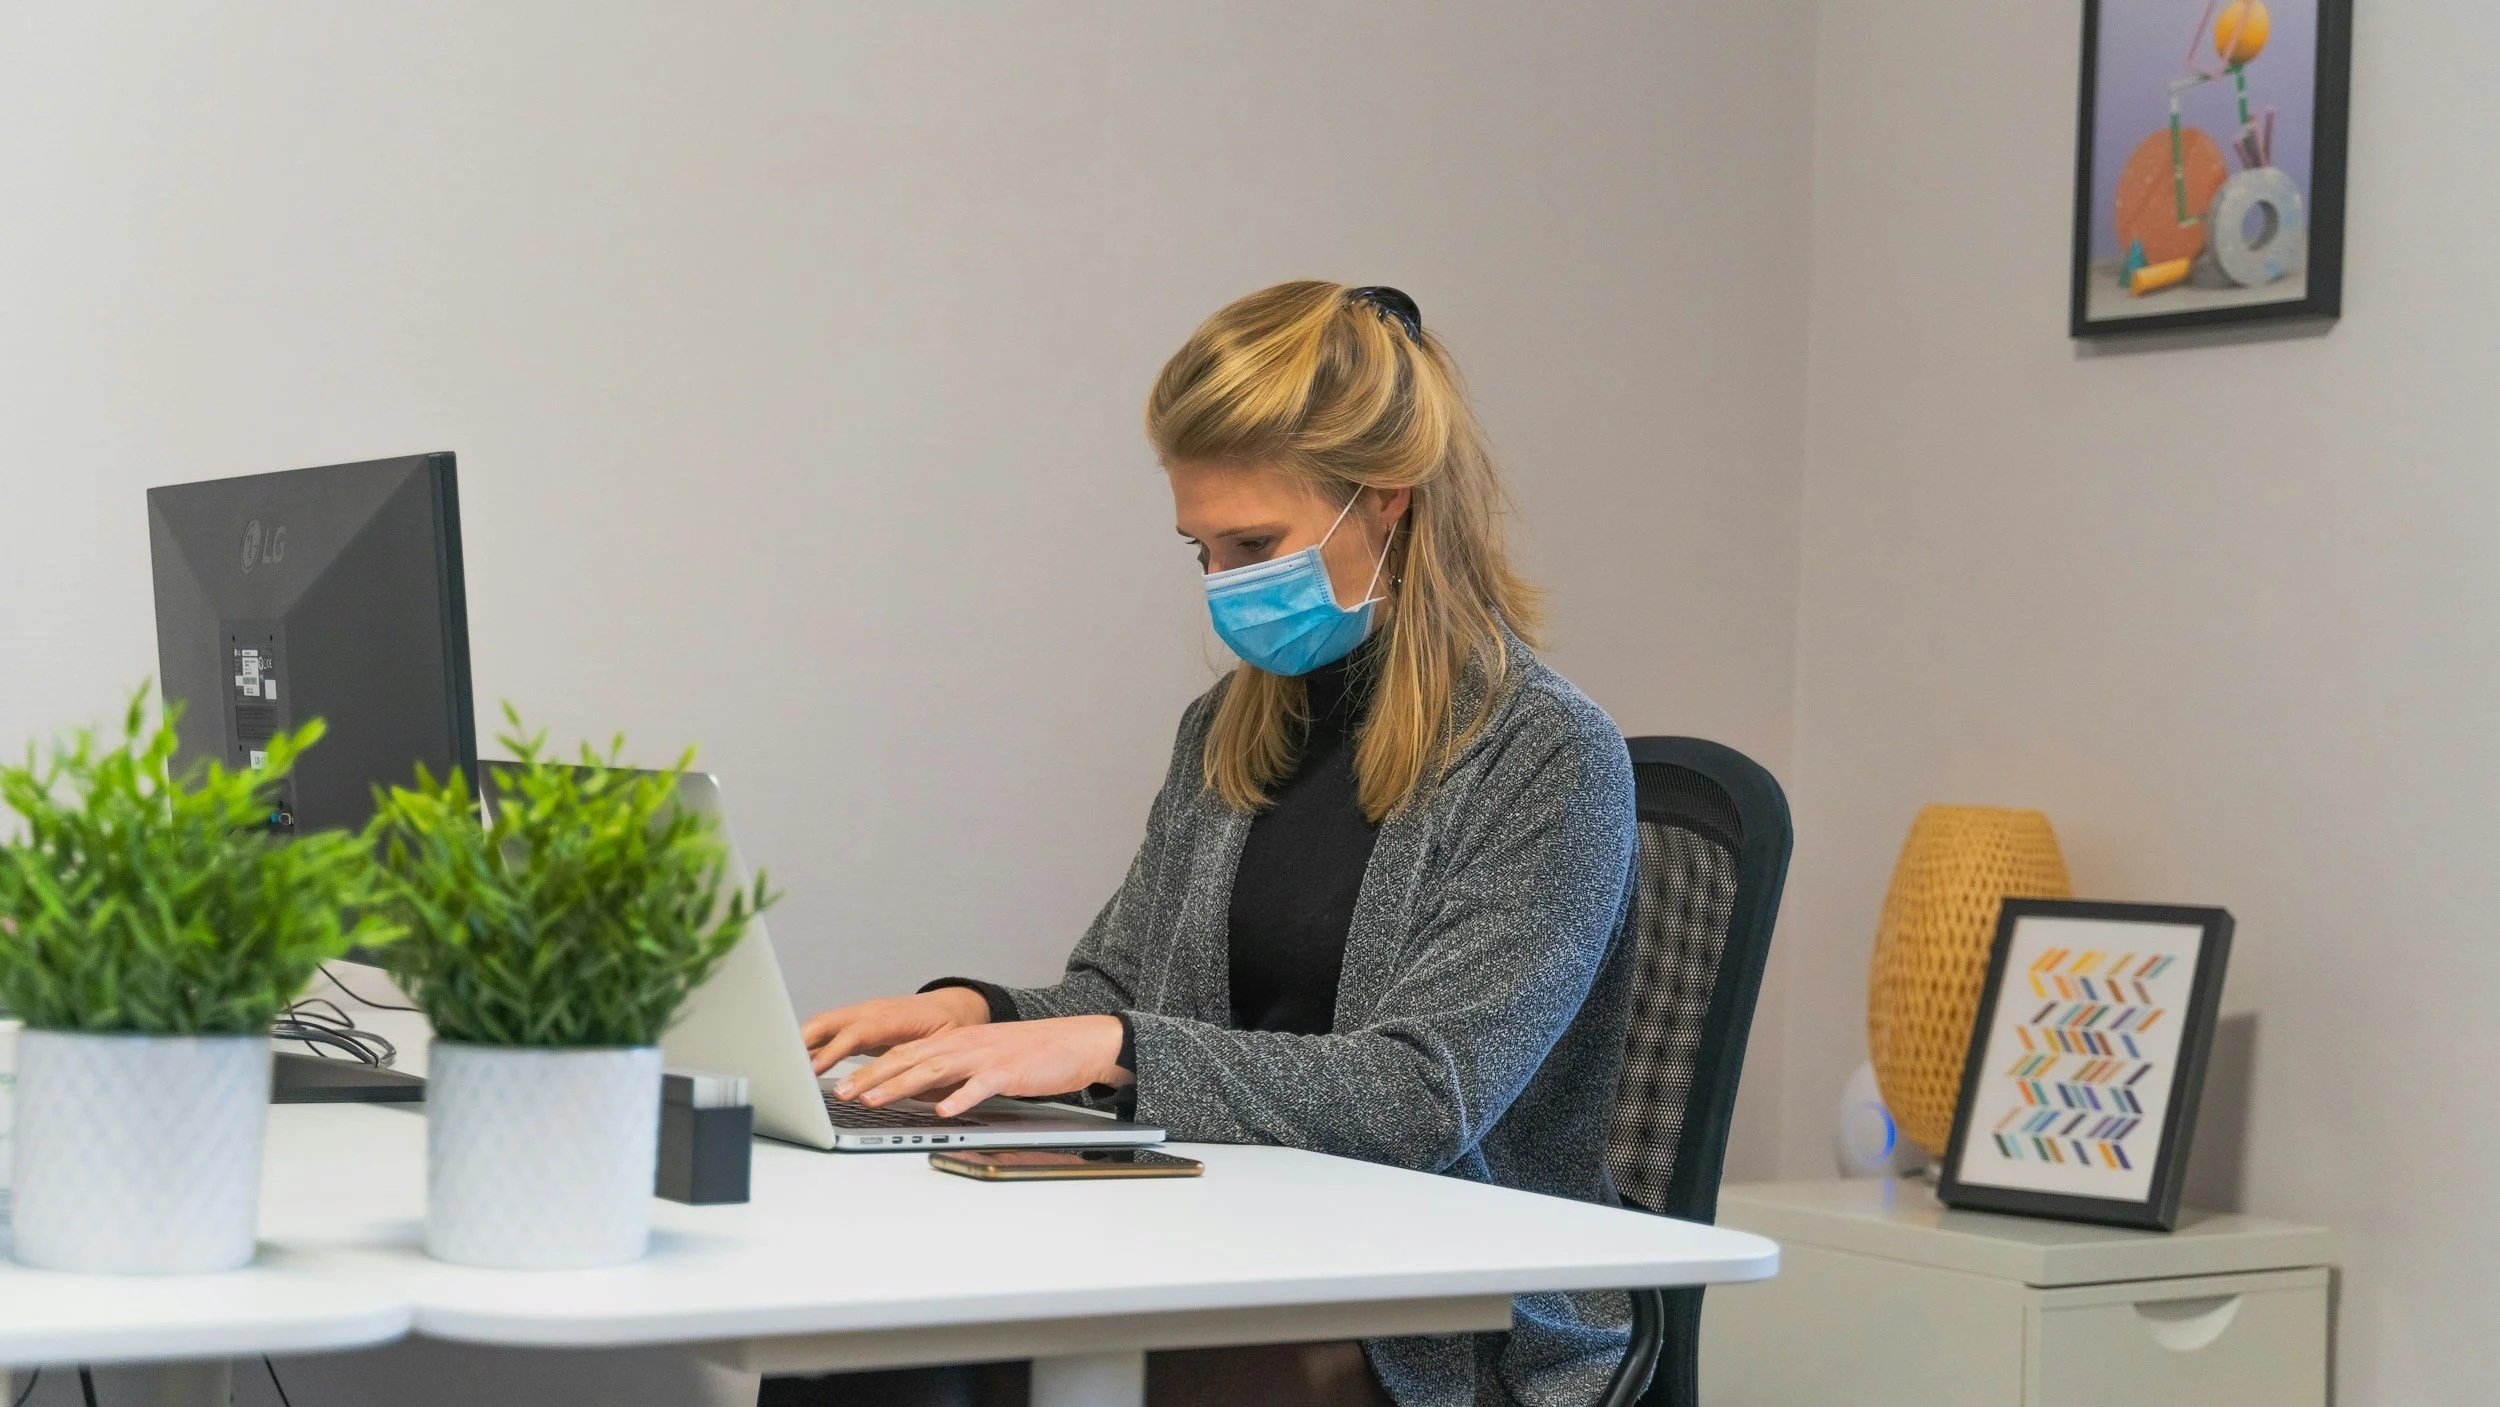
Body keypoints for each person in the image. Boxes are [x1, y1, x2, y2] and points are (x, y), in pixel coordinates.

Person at [767, 281, 1638, 1407]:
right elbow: (1118, 990)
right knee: (858, 1347)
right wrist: (973, 1013)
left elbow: (1425, 1097)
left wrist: (1108, 1044)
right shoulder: (1230, 730)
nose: (1225, 585)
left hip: (1428, 1329)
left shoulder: (1544, 756)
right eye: (1201, 550)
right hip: (1223, 1242)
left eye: (1254, 543)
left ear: (1387, 502)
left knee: (943, 1370)